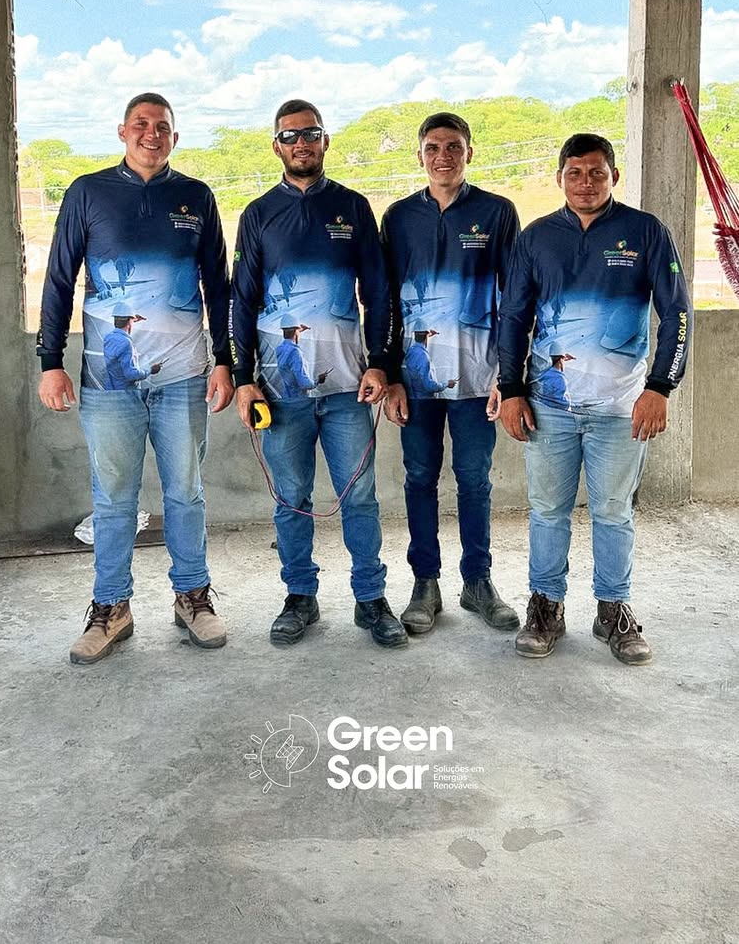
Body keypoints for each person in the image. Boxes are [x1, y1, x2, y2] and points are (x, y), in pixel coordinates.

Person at [37, 94, 234, 664]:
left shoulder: (196, 196)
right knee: (114, 498)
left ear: (175, 136)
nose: (152, 134)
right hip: (108, 380)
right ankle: (111, 608)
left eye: (163, 127)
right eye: (142, 125)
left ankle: (192, 597)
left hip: (183, 377)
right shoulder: (88, 192)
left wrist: (225, 360)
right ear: (123, 131)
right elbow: (58, 280)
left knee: (186, 492)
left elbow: (217, 286)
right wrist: (51, 362)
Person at [498, 132, 692, 665]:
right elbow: (514, 316)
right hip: (550, 406)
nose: (586, 182)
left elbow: (677, 313)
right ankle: (546, 606)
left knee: (612, 512)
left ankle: (614, 610)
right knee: (547, 510)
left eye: (597, 172)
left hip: (621, 407)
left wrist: (659, 387)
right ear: (559, 177)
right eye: (575, 173)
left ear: (613, 177)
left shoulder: (645, 232)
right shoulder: (536, 238)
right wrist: (511, 389)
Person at [230, 98, 407, 649]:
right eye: (289, 136)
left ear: (326, 141)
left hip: (349, 388)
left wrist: (380, 362)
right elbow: (242, 300)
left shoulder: (353, 208)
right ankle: (299, 597)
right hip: (282, 391)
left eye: (311, 133)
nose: (301, 143)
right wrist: (242, 375)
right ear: (276, 145)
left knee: (359, 499)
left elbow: (378, 294)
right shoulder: (258, 215)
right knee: (291, 498)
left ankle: (371, 600)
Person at [381, 111, 521, 636]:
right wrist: (392, 373)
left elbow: (515, 300)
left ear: (470, 153)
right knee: (419, 479)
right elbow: (385, 304)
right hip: (416, 384)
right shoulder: (396, 218)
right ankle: (425, 584)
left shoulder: (498, 213)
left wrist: (507, 377)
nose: (444, 156)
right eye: (434, 147)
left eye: (454, 147)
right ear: (420, 154)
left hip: (477, 381)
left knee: (474, 481)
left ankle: (477, 581)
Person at [102, 303, 163, 390]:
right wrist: (150, 370)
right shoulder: (126, 343)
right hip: (126, 394)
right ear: (129, 322)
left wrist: (132, 319)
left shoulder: (108, 338)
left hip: (111, 389)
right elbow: (131, 374)